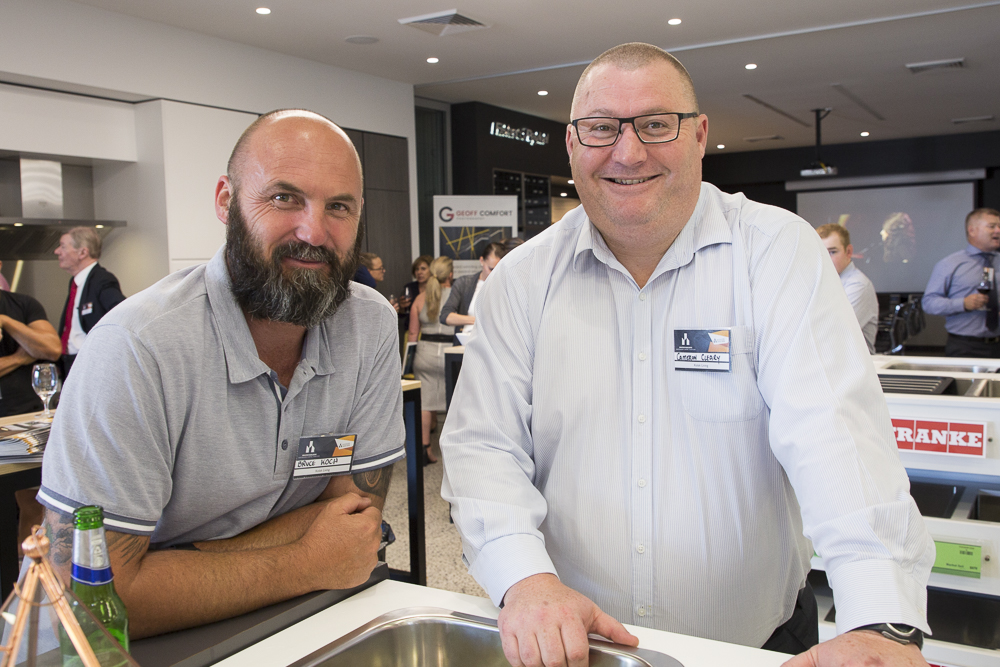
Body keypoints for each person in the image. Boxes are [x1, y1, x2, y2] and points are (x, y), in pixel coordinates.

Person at [441, 43, 934, 667]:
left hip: (757, 645)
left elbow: (833, 434)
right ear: (572, 145)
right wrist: (524, 579)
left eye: (655, 124)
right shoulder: (522, 278)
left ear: (699, 135)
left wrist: (880, 621)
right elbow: (483, 447)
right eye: (600, 129)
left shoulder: (774, 252)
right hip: (575, 647)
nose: (627, 151)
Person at [36, 109, 405, 639]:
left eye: (339, 206)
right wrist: (303, 560)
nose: (313, 230)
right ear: (226, 201)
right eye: (284, 198)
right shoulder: (137, 347)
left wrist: (171, 566)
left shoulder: (368, 324)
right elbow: (94, 599)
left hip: (301, 623)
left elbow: (354, 526)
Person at [923, 208, 1000, 358]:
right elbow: (929, 303)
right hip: (965, 347)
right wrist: (963, 304)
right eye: (992, 226)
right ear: (972, 230)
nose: (998, 231)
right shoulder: (950, 264)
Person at [54, 227, 126, 377]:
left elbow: (123, 313)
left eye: (63, 246)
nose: (57, 251)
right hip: (71, 363)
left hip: (92, 365)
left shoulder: (102, 279)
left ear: (82, 252)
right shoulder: (76, 282)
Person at [408, 256, 455, 464]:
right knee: (455, 404)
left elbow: (412, 334)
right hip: (450, 353)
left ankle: (424, 449)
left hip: (424, 354)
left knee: (425, 404)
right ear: (451, 275)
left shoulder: (420, 299)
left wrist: (406, 363)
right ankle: (454, 452)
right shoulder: (457, 297)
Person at [0, 260, 62, 417]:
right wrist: (19, 358)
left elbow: (53, 349)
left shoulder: (24, 304)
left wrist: (5, 321)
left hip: (29, 414)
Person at [817, 224, 879, 353]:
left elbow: (833, 333)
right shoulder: (821, 283)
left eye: (832, 252)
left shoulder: (858, 285)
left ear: (849, 252)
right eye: (821, 252)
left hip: (854, 370)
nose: (826, 259)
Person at [439, 242, 505, 332]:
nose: (494, 273)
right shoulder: (464, 283)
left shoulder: (505, 287)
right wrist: (476, 320)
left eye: (499, 270)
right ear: (482, 261)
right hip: (465, 340)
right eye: (491, 269)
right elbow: (445, 316)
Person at [398, 255, 432, 322]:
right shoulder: (409, 287)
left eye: (423, 269)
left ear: (431, 270)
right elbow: (402, 315)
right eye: (417, 269)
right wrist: (402, 307)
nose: (419, 272)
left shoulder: (437, 288)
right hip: (411, 326)